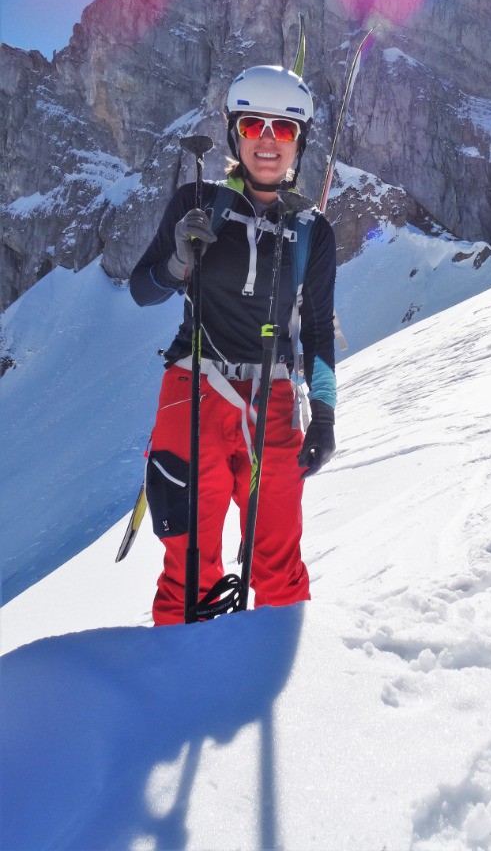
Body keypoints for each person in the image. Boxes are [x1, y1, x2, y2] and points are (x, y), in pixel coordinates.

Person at [129, 65, 337, 625]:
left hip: (271, 400)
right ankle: (176, 693)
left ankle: (284, 688)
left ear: (299, 141)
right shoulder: (197, 202)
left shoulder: (313, 230)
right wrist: (177, 263)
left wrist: (324, 417)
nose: (268, 141)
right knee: (189, 568)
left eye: (284, 130)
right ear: (234, 133)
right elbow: (141, 291)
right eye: (254, 124)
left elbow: (317, 333)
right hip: (193, 388)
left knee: (278, 565)